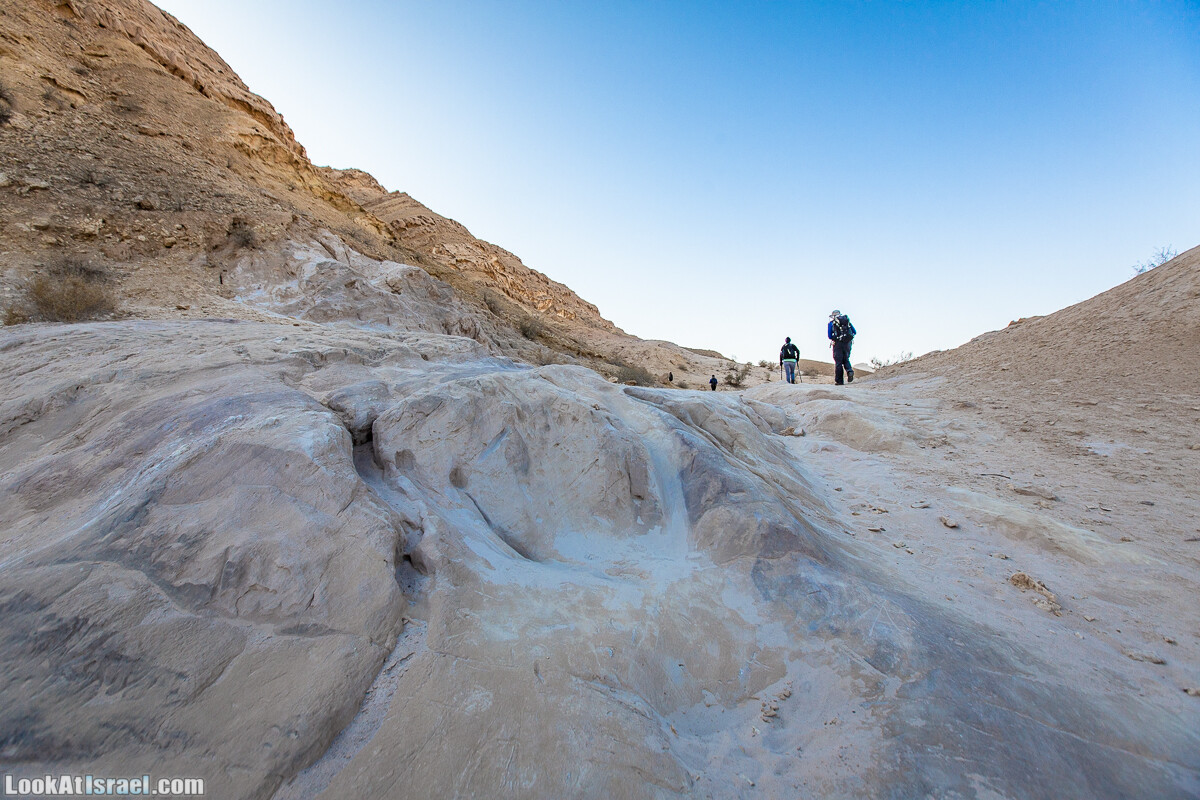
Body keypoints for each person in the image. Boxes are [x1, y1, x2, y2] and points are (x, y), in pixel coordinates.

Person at [827, 310, 856, 385]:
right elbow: (854, 331)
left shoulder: (831, 323)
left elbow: (829, 336)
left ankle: (839, 381)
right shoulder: (847, 321)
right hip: (848, 343)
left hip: (837, 343)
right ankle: (849, 371)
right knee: (846, 358)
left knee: (838, 361)